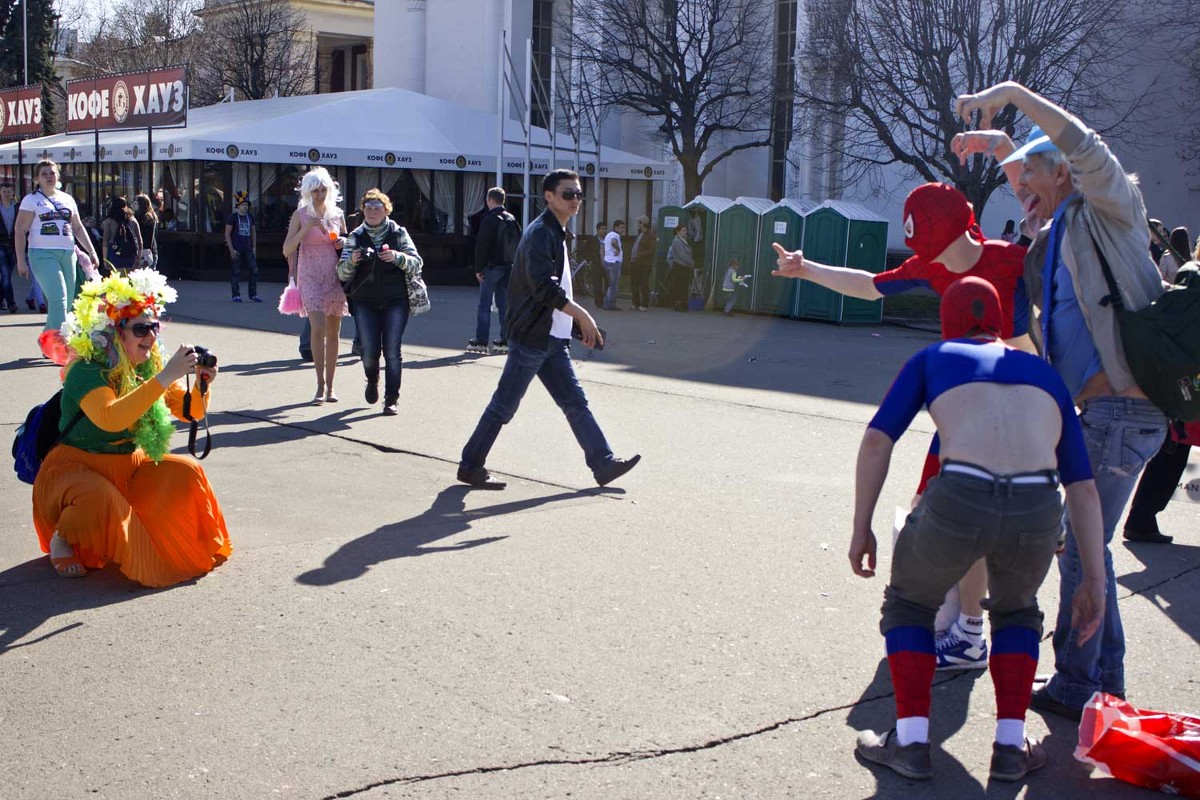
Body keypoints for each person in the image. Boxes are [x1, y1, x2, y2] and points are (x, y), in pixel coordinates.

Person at [955, 81, 1169, 721]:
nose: (1021, 196)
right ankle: (1103, 681)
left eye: (1032, 182)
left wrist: (1014, 95)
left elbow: (1078, 145)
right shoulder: (1061, 220)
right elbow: (1032, 167)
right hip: (1099, 412)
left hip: (1124, 409)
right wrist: (996, 144)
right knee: (1086, 545)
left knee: (1080, 544)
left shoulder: (1110, 207)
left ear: (1067, 174)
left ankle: (1081, 682)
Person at [851, 277, 1105, 782]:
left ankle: (912, 741)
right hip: (1037, 505)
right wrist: (1093, 580)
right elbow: (1082, 487)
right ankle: (1011, 748)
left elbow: (879, 440)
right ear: (1000, 326)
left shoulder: (933, 358)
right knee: (1017, 612)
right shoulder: (1044, 375)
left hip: (960, 498)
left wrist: (862, 527)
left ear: (947, 325)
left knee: (909, 605)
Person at [773, 181, 1033, 671]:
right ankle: (963, 629)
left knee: (989, 526)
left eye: (929, 243)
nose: (928, 256)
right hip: (965, 410)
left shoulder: (1013, 263)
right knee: (931, 512)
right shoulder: (931, 265)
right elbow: (869, 284)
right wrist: (807, 269)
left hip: (1021, 408)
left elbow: (1044, 332)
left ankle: (973, 634)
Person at [31, 268, 232, 587]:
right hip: (73, 472)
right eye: (140, 329)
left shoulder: (148, 366)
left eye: (154, 327)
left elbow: (189, 411)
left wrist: (203, 384)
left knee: (186, 471)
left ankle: (166, 537)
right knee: (99, 496)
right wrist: (165, 377)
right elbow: (110, 417)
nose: (151, 337)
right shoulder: (86, 370)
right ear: (114, 333)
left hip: (129, 468)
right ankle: (62, 539)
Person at [457, 169, 641, 490]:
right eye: (568, 194)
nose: (575, 200)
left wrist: (572, 326)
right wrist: (582, 315)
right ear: (549, 196)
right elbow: (543, 287)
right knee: (504, 405)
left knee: (574, 402)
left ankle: (603, 463)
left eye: (579, 194)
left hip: (551, 339)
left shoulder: (557, 232)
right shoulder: (543, 232)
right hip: (532, 338)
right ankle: (471, 465)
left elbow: (555, 292)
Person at [337, 189, 423, 416]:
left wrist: (397, 257)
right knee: (369, 351)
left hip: (396, 300)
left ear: (386, 210)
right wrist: (353, 261)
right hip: (365, 301)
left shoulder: (398, 232)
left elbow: (417, 263)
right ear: (363, 210)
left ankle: (391, 399)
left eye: (377, 208)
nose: (373, 212)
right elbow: (342, 274)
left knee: (393, 351)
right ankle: (372, 379)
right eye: (368, 208)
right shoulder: (355, 236)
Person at [14, 159, 101, 363]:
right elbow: (20, 229)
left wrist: (92, 251)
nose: (49, 177)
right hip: (42, 254)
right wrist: (20, 259)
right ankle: (64, 348)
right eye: (44, 174)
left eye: (52, 173)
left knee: (68, 303)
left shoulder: (67, 199)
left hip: (67, 253)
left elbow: (78, 227)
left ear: (58, 176)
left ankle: (45, 338)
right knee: (59, 299)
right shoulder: (31, 200)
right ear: (37, 178)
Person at [283, 167, 348, 404]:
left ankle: (331, 387)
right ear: (307, 192)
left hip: (332, 275)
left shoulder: (337, 214)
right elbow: (287, 249)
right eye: (315, 190)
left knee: (333, 332)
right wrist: (306, 228)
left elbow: (345, 249)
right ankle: (319, 385)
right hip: (309, 274)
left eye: (323, 189)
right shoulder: (300, 215)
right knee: (317, 327)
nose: (320, 194)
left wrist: (343, 240)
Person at [468, 187, 518, 354]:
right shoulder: (511, 219)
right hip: (508, 268)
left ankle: (481, 341)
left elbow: (482, 246)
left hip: (491, 268)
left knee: (485, 305)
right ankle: (505, 339)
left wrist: (478, 268)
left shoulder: (489, 219)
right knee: (504, 306)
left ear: (490, 200)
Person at [225, 190, 260, 302]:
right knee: (236, 272)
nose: (245, 207)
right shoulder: (233, 217)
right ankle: (236, 295)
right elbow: (227, 233)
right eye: (243, 205)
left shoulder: (250, 217)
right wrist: (231, 249)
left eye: (246, 205)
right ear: (238, 206)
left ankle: (253, 294)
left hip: (248, 247)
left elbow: (253, 232)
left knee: (254, 270)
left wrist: (254, 247)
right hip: (236, 248)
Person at [101, 196, 144, 273]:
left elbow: (105, 242)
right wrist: (139, 257)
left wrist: (105, 259)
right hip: (131, 254)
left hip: (115, 254)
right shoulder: (133, 220)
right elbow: (140, 240)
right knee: (130, 280)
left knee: (117, 280)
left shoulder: (109, 221)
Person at [628, 214, 655, 311]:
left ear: (643, 224)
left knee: (643, 283)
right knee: (634, 283)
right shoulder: (639, 234)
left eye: (639, 223)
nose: (638, 225)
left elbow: (651, 250)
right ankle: (636, 303)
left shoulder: (650, 235)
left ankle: (644, 303)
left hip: (644, 263)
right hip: (635, 262)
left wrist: (640, 255)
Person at [666, 223, 694, 312]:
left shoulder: (684, 240)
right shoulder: (677, 241)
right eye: (683, 231)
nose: (685, 232)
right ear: (678, 232)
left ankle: (683, 303)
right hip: (679, 266)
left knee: (684, 286)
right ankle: (679, 304)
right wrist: (691, 262)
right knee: (680, 286)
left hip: (685, 266)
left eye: (685, 230)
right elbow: (681, 254)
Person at [0, 181, 18, 313]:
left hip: (14, 245)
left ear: (13, 194)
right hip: (0, 245)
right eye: (4, 191)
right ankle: (11, 303)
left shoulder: (18, 208)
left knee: (7, 276)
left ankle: (1, 300)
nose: (6, 194)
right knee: (5, 275)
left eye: (9, 192)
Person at [602, 219, 626, 310]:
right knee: (613, 285)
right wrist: (618, 249)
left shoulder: (608, 235)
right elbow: (613, 242)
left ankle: (608, 303)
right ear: (616, 227)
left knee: (610, 284)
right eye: (621, 227)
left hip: (607, 261)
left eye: (624, 227)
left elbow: (603, 246)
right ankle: (609, 304)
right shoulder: (615, 235)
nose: (623, 229)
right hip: (614, 262)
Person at [134, 193, 159, 271]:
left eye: (136, 202)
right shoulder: (153, 216)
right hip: (152, 250)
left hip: (143, 251)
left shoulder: (140, 217)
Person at [589, 222, 609, 306]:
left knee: (609, 282)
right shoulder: (592, 240)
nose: (604, 231)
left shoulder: (609, 239)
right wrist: (589, 260)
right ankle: (599, 302)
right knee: (597, 284)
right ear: (598, 230)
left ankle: (609, 300)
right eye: (602, 229)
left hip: (607, 264)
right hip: (596, 264)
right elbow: (586, 250)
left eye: (605, 229)